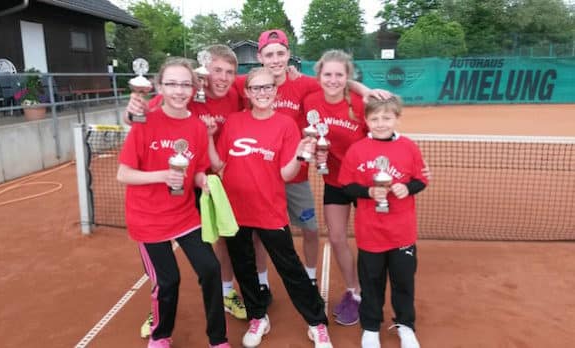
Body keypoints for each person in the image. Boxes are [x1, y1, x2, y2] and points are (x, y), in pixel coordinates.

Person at [235, 29, 392, 304]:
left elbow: (336, 81)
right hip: (260, 175)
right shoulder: (248, 83)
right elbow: (214, 83)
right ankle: (261, 284)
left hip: (296, 175)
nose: (275, 60)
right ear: (260, 57)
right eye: (269, 54)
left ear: (288, 55)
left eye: (280, 53)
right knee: (258, 234)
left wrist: (364, 89)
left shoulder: (306, 84)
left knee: (310, 230)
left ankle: (309, 277)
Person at [126, 45, 248, 337]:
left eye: (185, 85)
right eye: (172, 84)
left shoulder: (232, 93)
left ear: (194, 86)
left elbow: (268, 79)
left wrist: (201, 179)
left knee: (212, 260)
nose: (222, 76)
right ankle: (158, 317)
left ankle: (222, 317)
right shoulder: (154, 109)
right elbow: (136, 119)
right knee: (166, 277)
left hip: (191, 194)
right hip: (152, 207)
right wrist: (131, 113)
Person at [209, 67, 333, 348]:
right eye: (256, 88)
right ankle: (258, 316)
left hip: (270, 211)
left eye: (267, 87)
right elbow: (219, 165)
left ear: (275, 91)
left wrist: (302, 156)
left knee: (290, 268)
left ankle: (316, 323)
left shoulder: (286, 125)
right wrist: (206, 138)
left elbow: (286, 174)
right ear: (248, 93)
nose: (262, 93)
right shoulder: (234, 122)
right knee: (244, 266)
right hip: (236, 211)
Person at [338, 95, 427, 348]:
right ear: (366, 120)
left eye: (386, 118)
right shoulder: (357, 150)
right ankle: (370, 328)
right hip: (370, 233)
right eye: (374, 118)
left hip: (402, 233)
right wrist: (368, 192)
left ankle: (406, 326)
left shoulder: (409, 147)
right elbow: (346, 185)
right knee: (371, 283)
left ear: (396, 118)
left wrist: (406, 188)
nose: (380, 123)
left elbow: (420, 179)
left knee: (403, 282)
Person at [302, 49, 368, 325]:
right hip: (334, 181)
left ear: (347, 77)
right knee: (338, 238)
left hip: (364, 182)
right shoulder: (310, 101)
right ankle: (354, 293)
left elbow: (379, 136)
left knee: (369, 242)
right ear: (318, 76)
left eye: (339, 74)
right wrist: (317, 151)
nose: (332, 80)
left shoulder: (361, 102)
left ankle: (368, 295)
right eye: (327, 74)